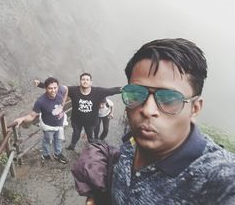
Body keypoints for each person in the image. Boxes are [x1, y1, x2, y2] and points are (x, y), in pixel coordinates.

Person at [72, 38, 235, 204]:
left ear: (195, 108)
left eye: (170, 99)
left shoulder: (217, 179)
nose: (148, 110)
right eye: (136, 94)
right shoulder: (133, 142)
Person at [35, 73, 121, 151]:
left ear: (91, 82)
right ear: (79, 81)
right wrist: (40, 84)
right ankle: (72, 146)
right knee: (75, 134)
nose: (85, 81)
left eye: (87, 79)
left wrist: (123, 89)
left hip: (90, 122)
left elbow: (111, 91)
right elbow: (57, 88)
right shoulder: (73, 90)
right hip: (76, 120)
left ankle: (91, 150)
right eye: (83, 79)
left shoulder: (97, 91)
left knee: (90, 137)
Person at [13, 77, 69, 164]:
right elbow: (32, 116)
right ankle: (45, 154)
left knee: (58, 139)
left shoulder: (60, 91)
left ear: (58, 87)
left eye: (55, 88)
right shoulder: (41, 101)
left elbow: (66, 88)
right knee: (47, 141)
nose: (53, 91)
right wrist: (23, 118)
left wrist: (64, 102)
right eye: (50, 88)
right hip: (48, 126)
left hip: (60, 124)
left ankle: (57, 154)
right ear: (45, 88)